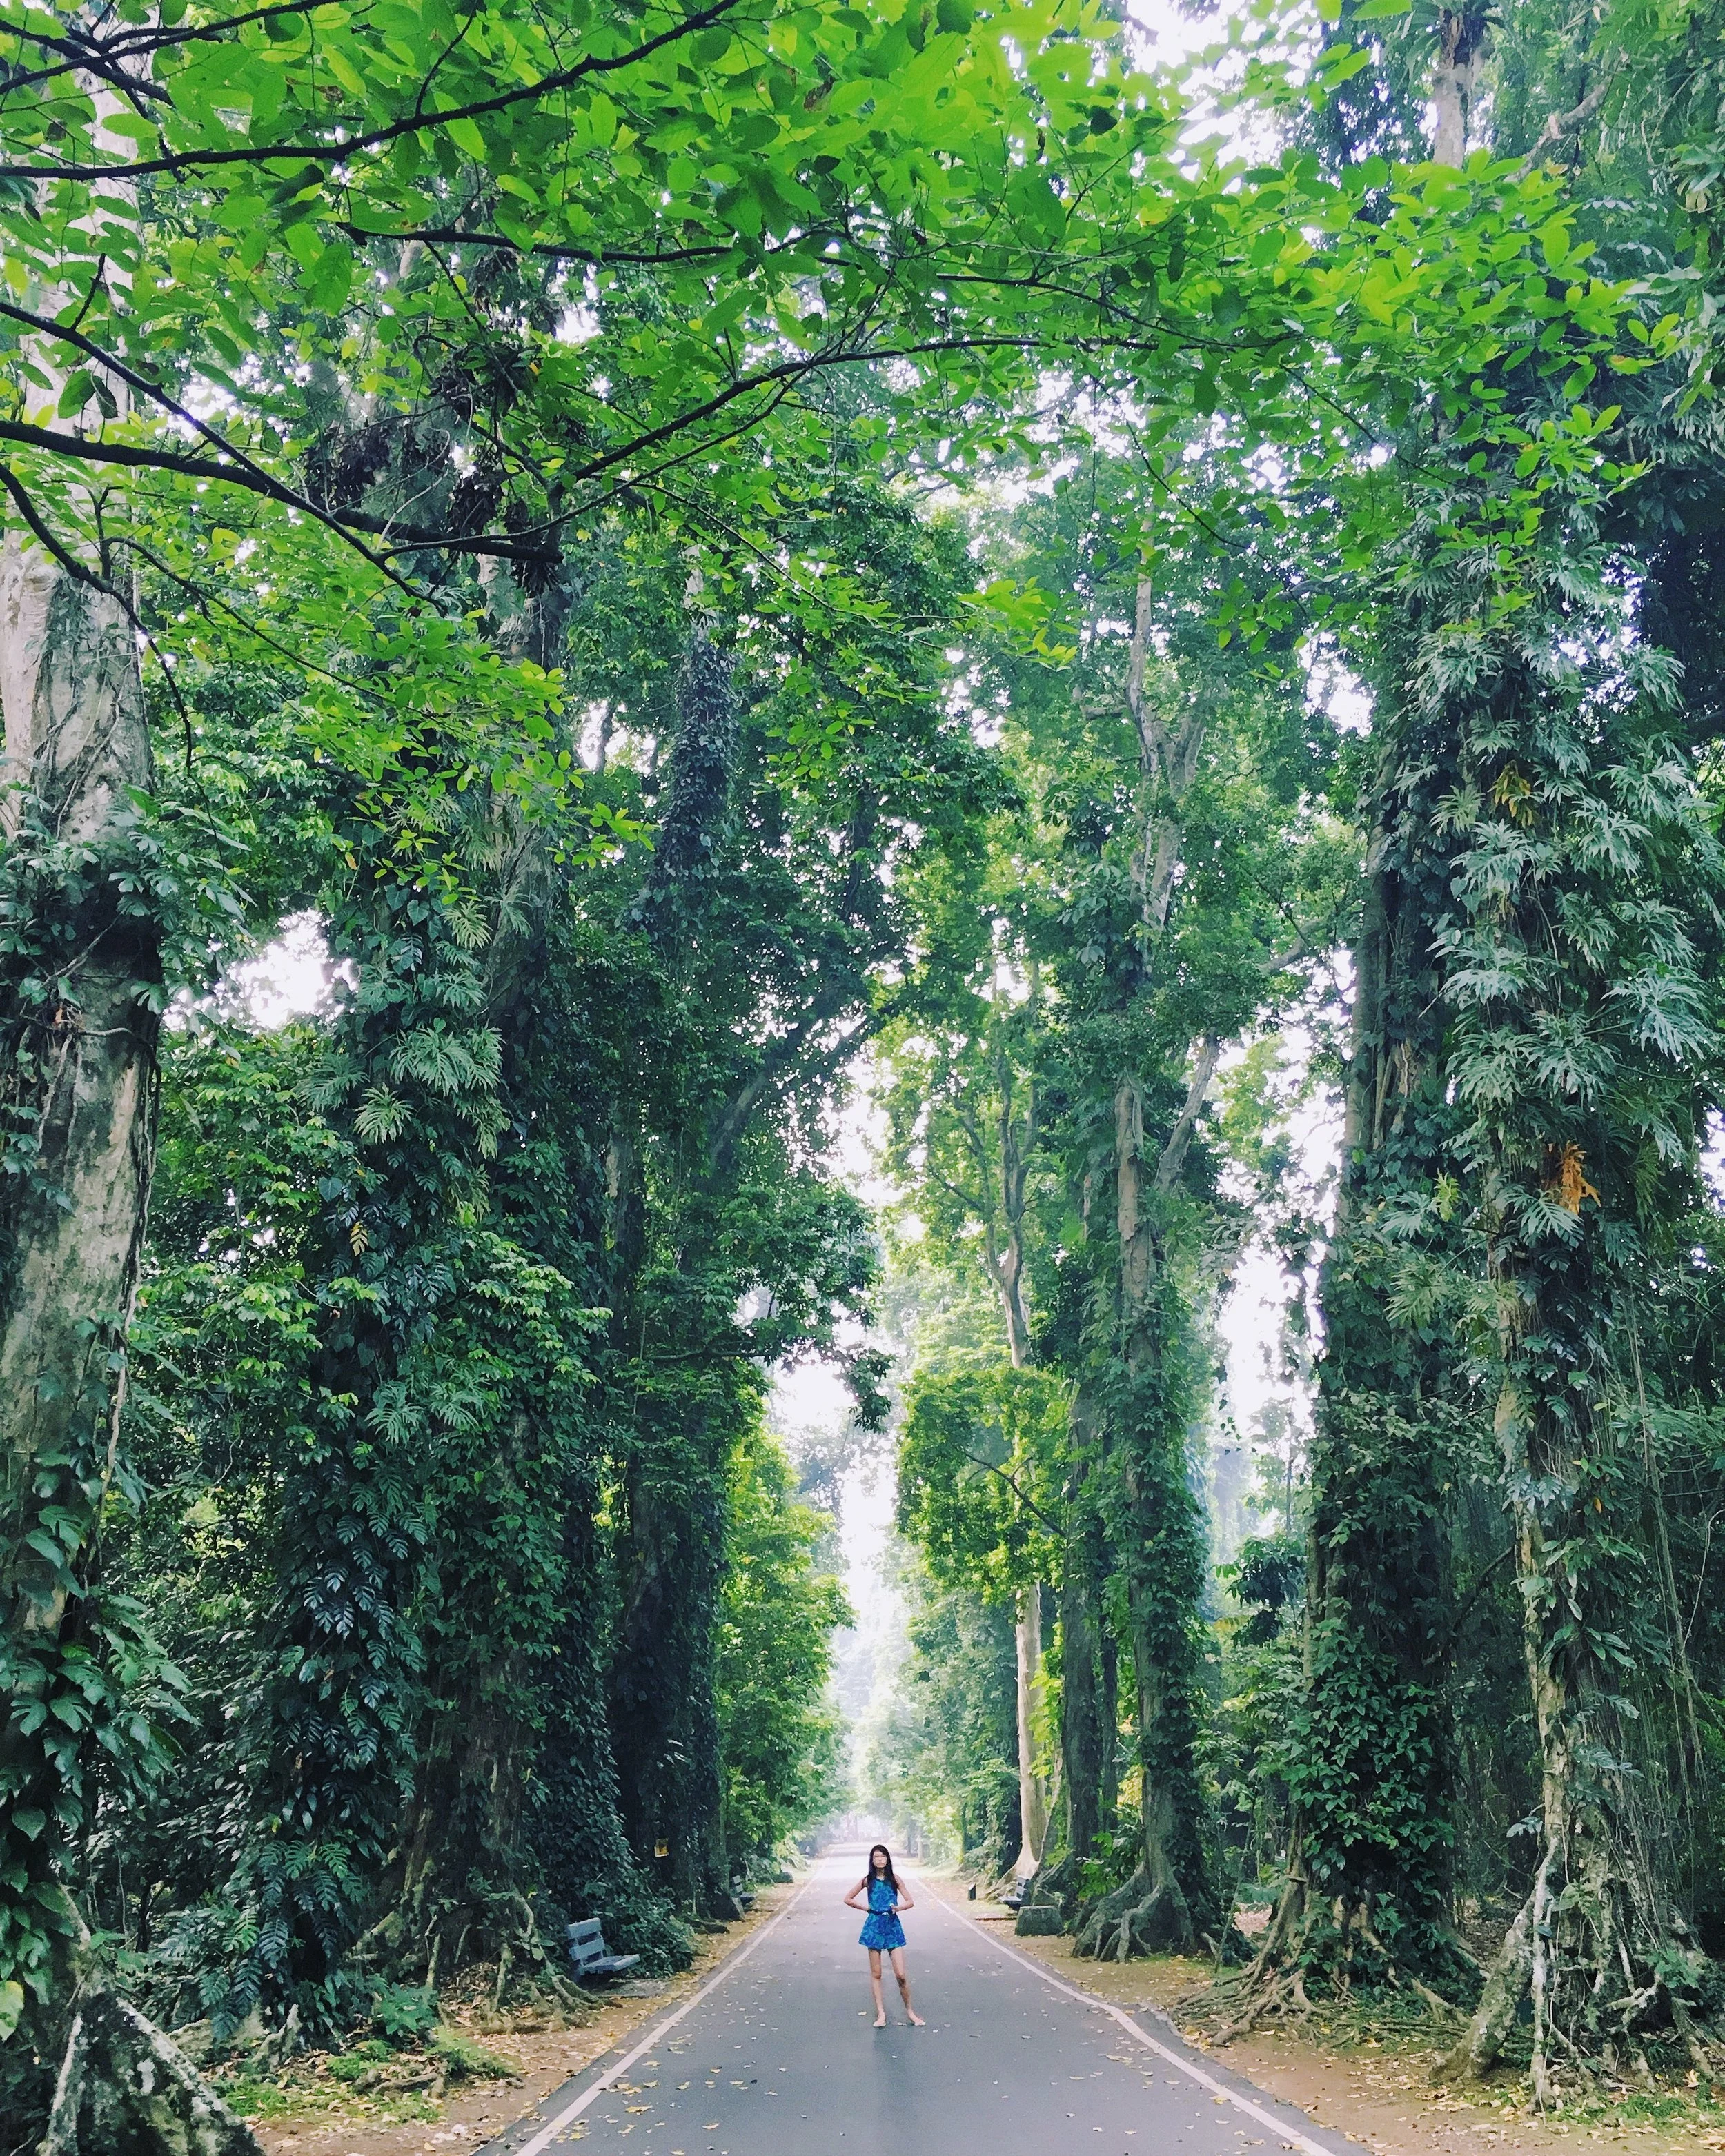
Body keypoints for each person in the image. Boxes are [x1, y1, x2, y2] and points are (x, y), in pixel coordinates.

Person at [843, 1843, 925, 2027]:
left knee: (901, 1974)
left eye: (883, 1856)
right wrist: (866, 1908)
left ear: (887, 1859)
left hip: (892, 1926)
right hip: (874, 1926)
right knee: (877, 1973)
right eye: (876, 1857)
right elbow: (848, 1898)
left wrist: (898, 1908)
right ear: (872, 1861)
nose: (880, 1859)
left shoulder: (895, 1879)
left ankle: (910, 2012)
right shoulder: (868, 1881)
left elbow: (910, 1901)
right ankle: (881, 2014)